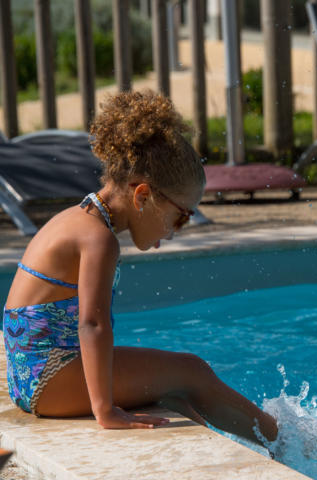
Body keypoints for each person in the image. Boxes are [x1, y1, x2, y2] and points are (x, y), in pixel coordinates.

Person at [2, 90, 278, 445]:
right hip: (49, 379)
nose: (176, 232)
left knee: (173, 393)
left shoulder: (77, 220)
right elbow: (92, 324)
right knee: (191, 371)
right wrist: (105, 410)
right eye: (180, 217)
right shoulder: (98, 239)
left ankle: (260, 455)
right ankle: (290, 444)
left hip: (33, 377)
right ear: (142, 195)